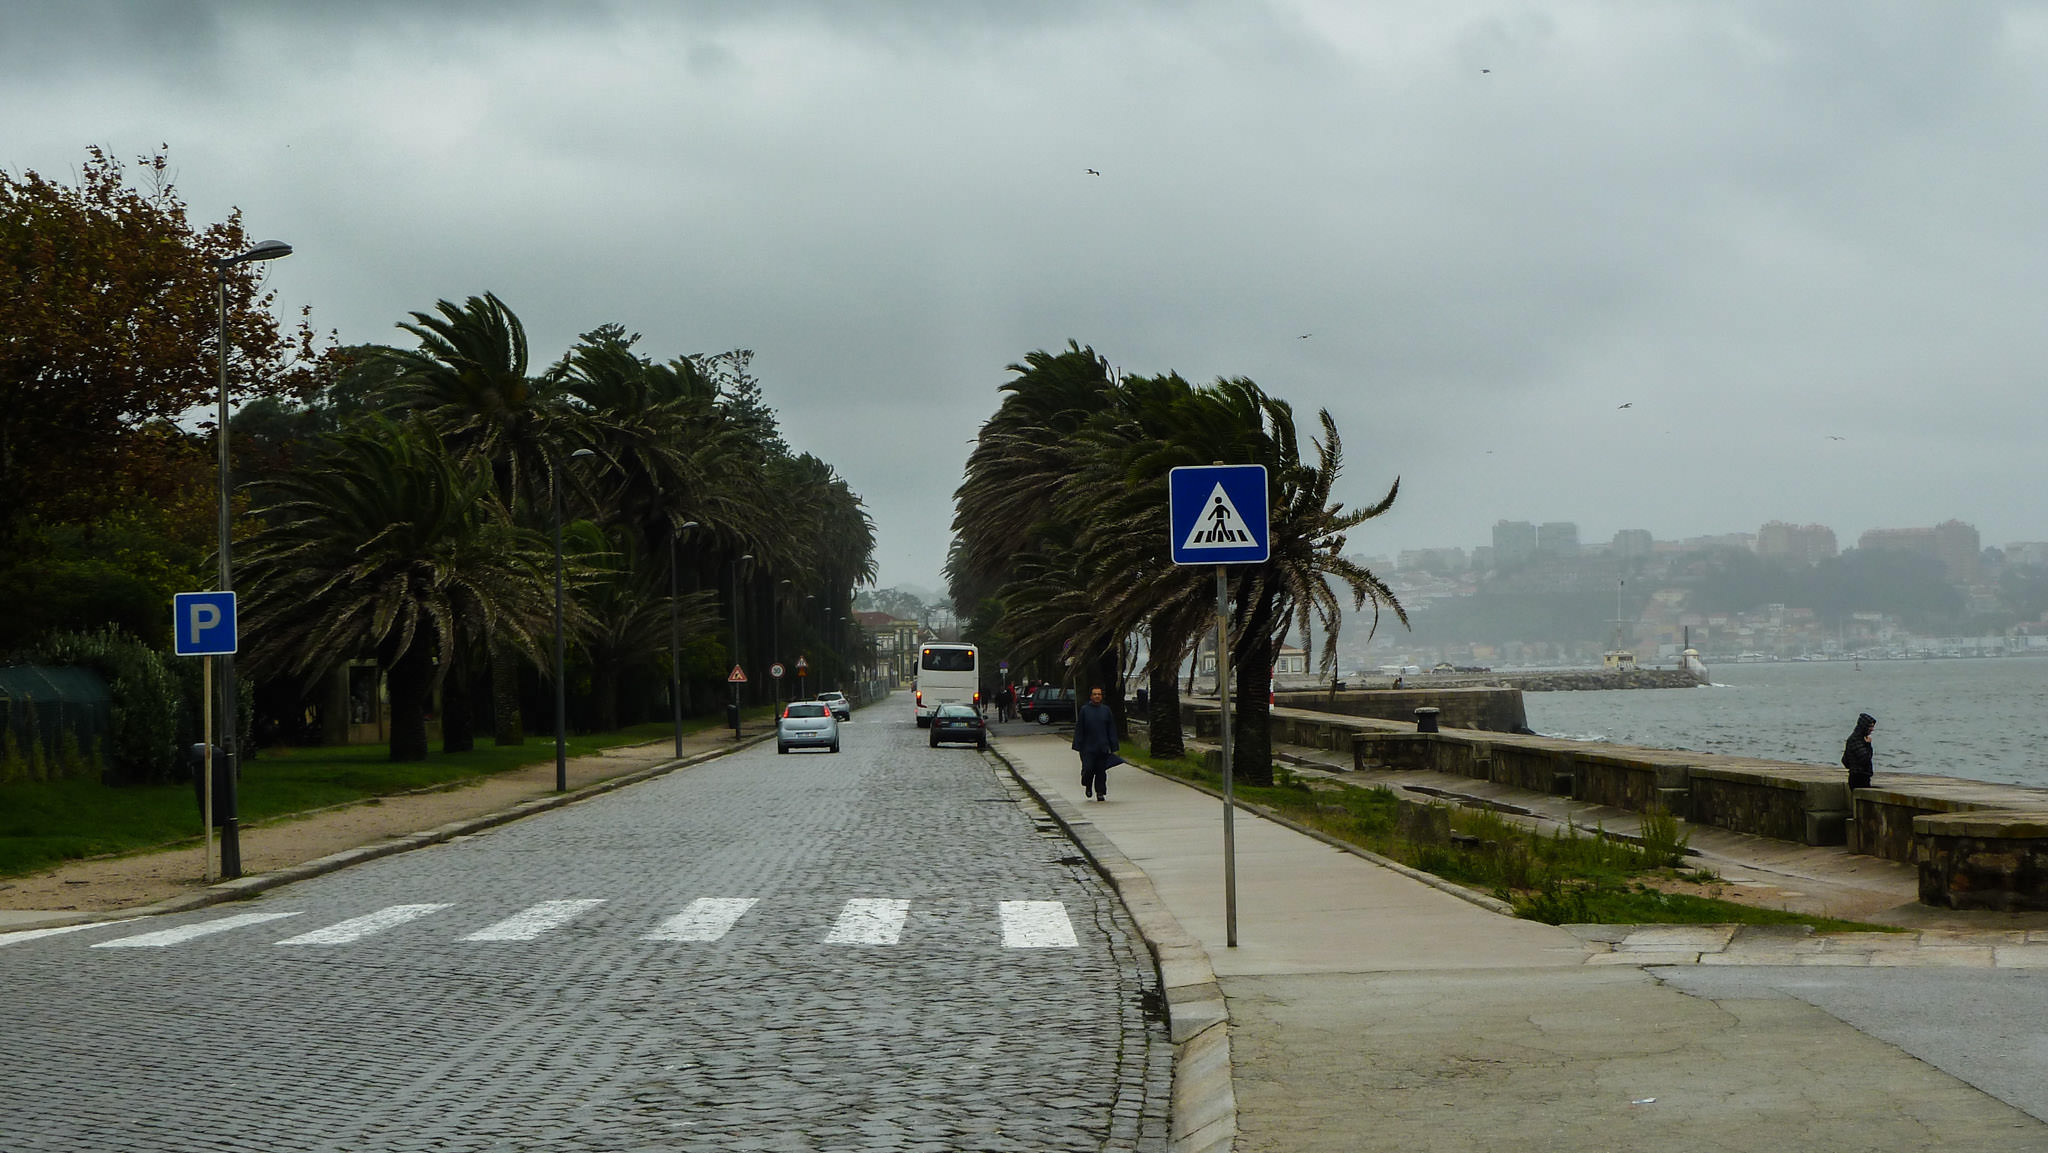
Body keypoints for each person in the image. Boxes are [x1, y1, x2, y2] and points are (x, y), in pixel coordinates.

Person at [1073, 685, 1119, 802]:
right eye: (1095, 694)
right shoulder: (1085, 710)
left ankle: (1100, 792)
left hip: (1102, 747)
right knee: (1088, 769)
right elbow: (1079, 729)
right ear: (1091, 696)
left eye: (1099, 694)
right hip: (1087, 748)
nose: (1097, 696)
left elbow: (1111, 729)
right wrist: (1078, 744)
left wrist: (1113, 746)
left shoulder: (1106, 711)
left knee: (1100, 771)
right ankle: (1087, 785)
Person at [1842, 712, 1876, 791]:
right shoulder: (1857, 740)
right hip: (1859, 778)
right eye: (1870, 726)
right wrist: (1868, 745)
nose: (1872, 729)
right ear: (1864, 726)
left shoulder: (1854, 738)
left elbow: (1845, 760)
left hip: (1856, 777)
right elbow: (1865, 759)